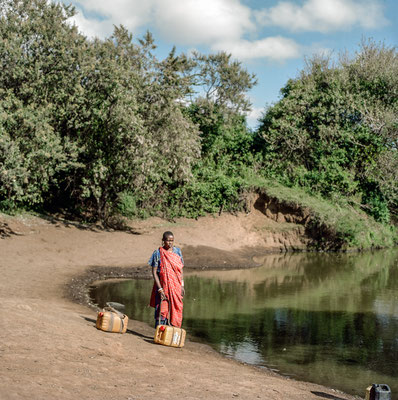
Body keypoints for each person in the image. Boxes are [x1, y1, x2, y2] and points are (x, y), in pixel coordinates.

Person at [148, 231, 185, 328]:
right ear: (163, 241)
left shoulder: (177, 252)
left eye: (172, 241)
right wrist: (160, 289)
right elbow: (154, 272)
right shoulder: (158, 253)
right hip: (162, 286)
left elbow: (180, 270)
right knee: (162, 309)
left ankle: (171, 333)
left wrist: (182, 285)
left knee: (176, 308)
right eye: (168, 240)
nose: (170, 243)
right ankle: (160, 333)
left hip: (176, 286)